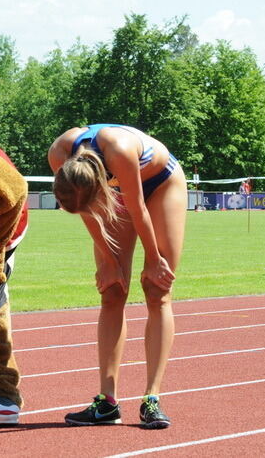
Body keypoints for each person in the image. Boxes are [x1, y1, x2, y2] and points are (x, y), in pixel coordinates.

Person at [48, 124, 187, 430]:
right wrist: (109, 262)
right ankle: (107, 403)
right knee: (111, 290)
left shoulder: (120, 149)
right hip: (115, 189)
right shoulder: (60, 154)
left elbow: (137, 209)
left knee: (157, 289)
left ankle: (152, 398)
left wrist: (153, 260)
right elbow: (88, 213)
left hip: (161, 184)